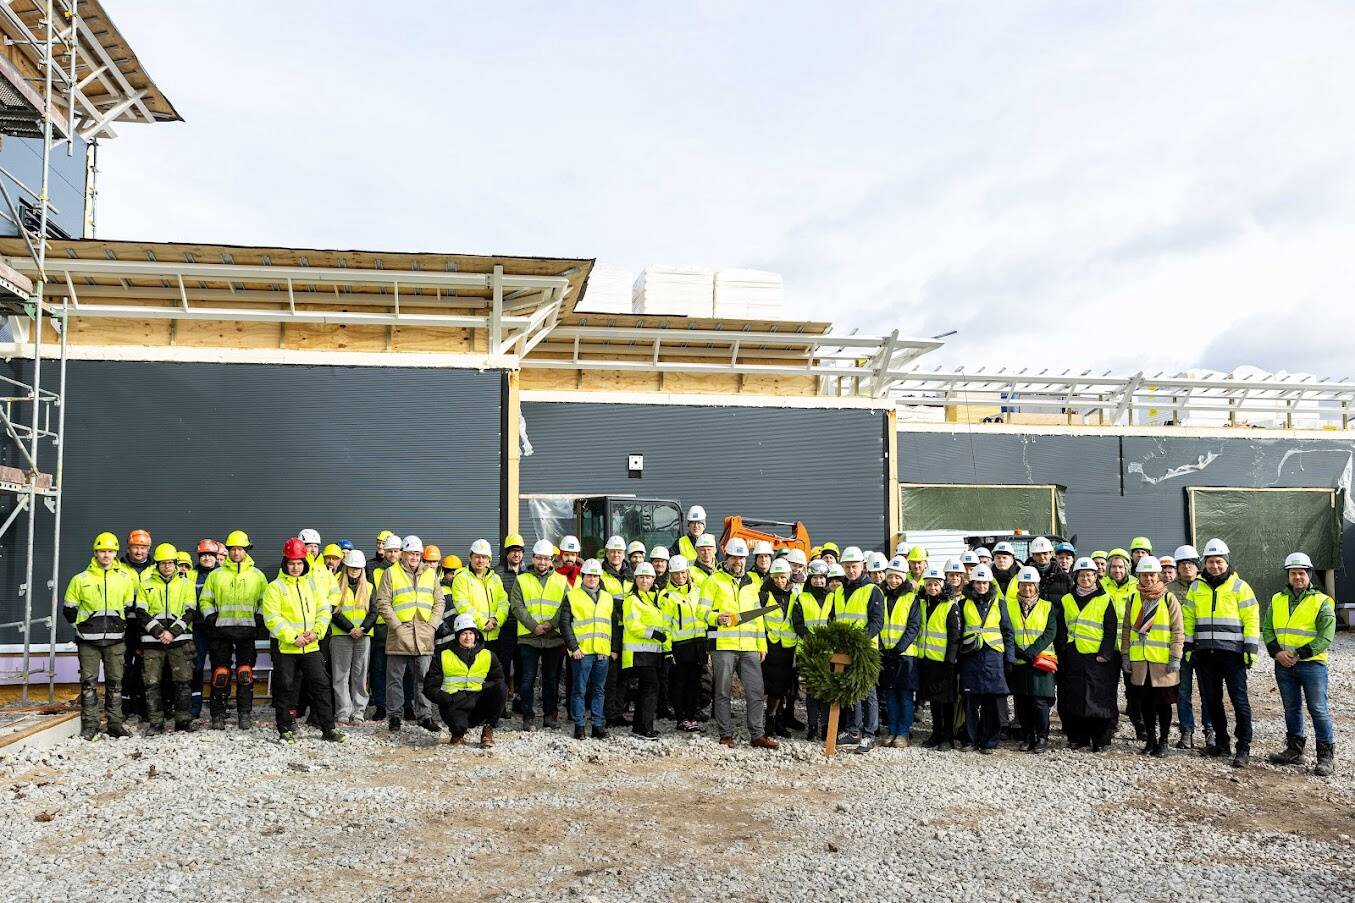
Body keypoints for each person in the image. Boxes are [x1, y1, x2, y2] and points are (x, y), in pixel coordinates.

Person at [1184, 538, 1259, 768]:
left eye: (1219, 561)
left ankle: (1243, 747)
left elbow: (1251, 618)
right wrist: (1188, 645)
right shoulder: (1196, 587)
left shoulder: (1240, 587)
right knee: (1211, 700)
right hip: (1205, 654)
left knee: (1239, 701)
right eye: (1210, 562)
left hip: (1232, 654)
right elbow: (1188, 618)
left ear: (1227, 562)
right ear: (1204, 563)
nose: (1215, 566)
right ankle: (1222, 743)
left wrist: (1250, 647)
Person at [262, 538, 344, 743]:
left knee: (321, 684)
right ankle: (285, 729)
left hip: (311, 646)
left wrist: (317, 632)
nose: (296, 567)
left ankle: (328, 728)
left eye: (299, 563)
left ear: (304, 563)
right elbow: (272, 618)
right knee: (285, 687)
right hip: (287, 648)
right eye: (292, 563)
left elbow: (324, 610)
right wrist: (293, 637)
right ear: (285, 563)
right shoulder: (275, 587)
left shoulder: (312, 585)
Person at [1264, 552, 1337, 777]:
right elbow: (1267, 629)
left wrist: (1298, 654)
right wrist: (1277, 653)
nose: (1297, 577)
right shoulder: (1277, 599)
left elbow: (1326, 636)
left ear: (1309, 575)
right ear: (1288, 575)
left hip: (1312, 665)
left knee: (1318, 709)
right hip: (1283, 664)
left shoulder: (1321, 601)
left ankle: (1325, 757)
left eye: (1302, 573)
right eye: (1293, 573)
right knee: (1291, 708)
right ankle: (1294, 751)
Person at [704, 537, 778, 749]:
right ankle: (725, 734)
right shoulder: (714, 581)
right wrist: (715, 617)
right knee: (722, 692)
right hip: (724, 646)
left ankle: (757, 735)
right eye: (734, 558)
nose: (738, 562)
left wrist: (761, 645)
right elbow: (702, 610)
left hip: (749, 647)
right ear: (726, 558)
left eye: (742, 558)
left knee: (756, 691)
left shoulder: (751, 584)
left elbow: (757, 617)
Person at [64, 532, 139, 740]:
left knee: (115, 683)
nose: (106, 555)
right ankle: (91, 726)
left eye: (110, 551)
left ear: (116, 553)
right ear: (95, 553)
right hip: (88, 641)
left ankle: (115, 724)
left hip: (115, 640)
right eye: (102, 551)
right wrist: (81, 628)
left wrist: (119, 625)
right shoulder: (80, 579)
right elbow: (69, 609)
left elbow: (129, 607)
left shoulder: (124, 579)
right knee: (89, 684)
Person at [375, 535, 447, 733]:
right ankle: (395, 717)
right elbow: (383, 602)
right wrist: (397, 627)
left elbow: (439, 601)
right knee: (395, 679)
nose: (414, 557)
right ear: (403, 554)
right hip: (400, 633)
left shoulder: (430, 574)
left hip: (424, 632)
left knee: (424, 678)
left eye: (417, 554)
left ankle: (425, 716)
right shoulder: (391, 573)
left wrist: (432, 626)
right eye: (410, 553)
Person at [200, 530, 269, 731]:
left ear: (246, 550)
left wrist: (258, 620)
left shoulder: (258, 576)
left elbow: (265, 601)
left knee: (244, 674)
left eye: (240, 549)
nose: (236, 552)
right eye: (233, 549)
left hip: (247, 632)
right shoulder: (216, 575)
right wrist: (211, 618)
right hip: (221, 632)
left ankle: (244, 715)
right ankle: (218, 715)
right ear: (227, 550)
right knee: (220, 674)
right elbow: (205, 600)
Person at [1121, 556, 1184, 759]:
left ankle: (1164, 741)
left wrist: (1175, 657)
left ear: (1158, 576)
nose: (1148, 579)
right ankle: (1150, 740)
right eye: (1144, 575)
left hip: (1162, 662)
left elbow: (1178, 630)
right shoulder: (1133, 599)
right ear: (1138, 576)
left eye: (1152, 575)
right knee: (1145, 704)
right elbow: (1126, 630)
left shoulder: (1168, 598)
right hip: (1140, 662)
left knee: (1164, 704)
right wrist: (1125, 655)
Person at [1057, 557, 1120, 752]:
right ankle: (1078, 737)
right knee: (1075, 696)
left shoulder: (1105, 598)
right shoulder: (1067, 599)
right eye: (1082, 575)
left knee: (1098, 697)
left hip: (1097, 657)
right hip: (1074, 655)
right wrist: (1064, 652)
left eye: (1089, 575)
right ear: (1076, 577)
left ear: (1095, 577)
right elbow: (1061, 629)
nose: (1085, 579)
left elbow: (1111, 627)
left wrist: (1105, 653)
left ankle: (1100, 739)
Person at [136, 543, 198, 735]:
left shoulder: (186, 584)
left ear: (176, 564)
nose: (167, 566)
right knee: (152, 683)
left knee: (183, 682)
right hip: (152, 642)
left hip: (180, 641)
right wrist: (158, 632)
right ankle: (156, 723)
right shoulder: (145, 584)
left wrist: (172, 633)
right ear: (157, 564)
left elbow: (190, 611)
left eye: (170, 563)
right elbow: (141, 612)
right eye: (163, 563)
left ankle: (183, 722)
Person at [423, 613, 507, 747]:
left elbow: (498, 680)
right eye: (464, 634)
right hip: (454, 702)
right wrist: (445, 699)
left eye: (471, 633)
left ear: (476, 635)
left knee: (501, 688)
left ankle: (488, 729)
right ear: (457, 636)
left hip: (478, 700)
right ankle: (457, 733)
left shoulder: (488, 655)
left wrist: (482, 688)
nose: (468, 637)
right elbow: (429, 686)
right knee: (458, 728)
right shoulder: (443, 656)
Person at [511, 539, 569, 730]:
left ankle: (549, 716)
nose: (542, 562)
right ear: (533, 558)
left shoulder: (561, 581)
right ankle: (528, 717)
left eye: (546, 558)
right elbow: (517, 606)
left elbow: (566, 606)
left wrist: (551, 624)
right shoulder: (522, 579)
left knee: (551, 680)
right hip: (529, 638)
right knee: (527, 679)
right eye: (539, 558)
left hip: (553, 638)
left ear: (551, 560)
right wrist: (534, 626)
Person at [832, 546, 885, 753]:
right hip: (844, 650)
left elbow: (876, 623)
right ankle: (853, 731)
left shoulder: (873, 590)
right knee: (852, 691)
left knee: (868, 693)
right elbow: (835, 619)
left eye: (854, 566)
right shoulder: (839, 592)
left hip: (866, 650)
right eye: (847, 567)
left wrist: (857, 641)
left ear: (863, 566)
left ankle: (869, 735)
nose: (851, 570)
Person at [957, 564, 1014, 754]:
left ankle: (989, 741)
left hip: (993, 657)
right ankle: (970, 740)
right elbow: (958, 633)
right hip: (970, 656)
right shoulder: (963, 604)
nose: (981, 586)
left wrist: (1010, 658)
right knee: (970, 701)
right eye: (978, 582)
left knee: (992, 702)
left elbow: (1008, 632)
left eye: (985, 583)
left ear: (990, 584)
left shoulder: (999, 603)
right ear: (972, 583)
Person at [559, 558, 614, 740]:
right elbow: (564, 624)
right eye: (589, 575)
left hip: (602, 652)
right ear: (582, 576)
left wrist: (612, 649)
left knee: (599, 690)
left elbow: (612, 624)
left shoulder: (607, 597)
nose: (592, 579)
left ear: (599, 577)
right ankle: (580, 726)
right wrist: (573, 647)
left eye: (595, 576)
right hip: (581, 653)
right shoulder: (572, 596)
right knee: (579, 690)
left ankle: (597, 726)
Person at [1007, 566, 1056, 753]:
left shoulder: (1047, 606)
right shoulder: (1009, 605)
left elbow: (1050, 632)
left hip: (1040, 661)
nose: (1027, 588)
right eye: (1023, 585)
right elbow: (1006, 630)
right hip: (1019, 661)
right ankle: (1027, 736)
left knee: (1039, 701)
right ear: (1018, 586)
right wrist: (1018, 651)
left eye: (1031, 585)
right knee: (1022, 701)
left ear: (1036, 586)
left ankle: (1042, 738)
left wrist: (1032, 651)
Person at [660, 555, 708, 732]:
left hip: (698, 644)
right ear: (671, 575)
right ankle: (681, 718)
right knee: (679, 683)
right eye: (676, 574)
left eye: (682, 573)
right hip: (679, 646)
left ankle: (691, 716)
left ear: (687, 572)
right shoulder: (667, 596)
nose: (680, 577)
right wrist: (667, 651)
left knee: (695, 683)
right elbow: (665, 626)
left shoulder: (698, 592)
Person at [1101, 547, 1144, 741]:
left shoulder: (1137, 586)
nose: (1117, 570)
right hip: (1108, 647)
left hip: (1130, 648)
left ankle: (1140, 725)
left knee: (1134, 689)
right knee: (1108, 689)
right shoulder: (1101, 586)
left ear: (1127, 567)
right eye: (1113, 567)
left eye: (1120, 567)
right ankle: (1109, 725)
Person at [1171, 544, 1211, 749]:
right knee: (1183, 692)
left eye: (1190, 563)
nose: (1187, 567)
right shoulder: (1168, 589)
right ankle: (1186, 730)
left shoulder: (1207, 587)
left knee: (1208, 692)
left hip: (1204, 647)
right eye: (1182, 564)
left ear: (1198, 565)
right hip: (1181, 649)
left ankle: (1210, 730)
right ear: (1177, 567)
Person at [330, 549, 376, 726]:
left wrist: (363, 628)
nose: (355, 571)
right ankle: (343, 712)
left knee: (360, 675)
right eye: (352, 567)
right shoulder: (335, 584)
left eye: (358, 568)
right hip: (341, 635)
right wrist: (350, 628)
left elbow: (374, 611)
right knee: (340, 676)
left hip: (363, 636)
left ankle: (358, 712)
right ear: (346, 567)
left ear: (362, 569)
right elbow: (333, 610)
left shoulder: (369, 587)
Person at [879, 556, 922, 748]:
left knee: (904, 696)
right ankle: (892, 730)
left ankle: (903, 733)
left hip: (905, 655)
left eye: (897, 577)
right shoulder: (881, 597)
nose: (893, 580)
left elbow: (913, 627)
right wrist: (883, 647)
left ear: (904, 578)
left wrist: (898, 648)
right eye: (890, 576)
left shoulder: (912, 598)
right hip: (886, 653)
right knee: (889, 695)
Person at [621, 562, 666, 740]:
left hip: (650, 653)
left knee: (645, 689)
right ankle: (645, 728)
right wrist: (654, 633)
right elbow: (633, 625)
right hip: (637, 653)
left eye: (648, 577)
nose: (645, 580)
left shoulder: (651, 599)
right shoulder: (632, 599)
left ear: (653, 579)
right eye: (641, 577)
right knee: (651, 687)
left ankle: (639, 726)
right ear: (635, 579)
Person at [918, 564, 960, 750]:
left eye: (936, 584)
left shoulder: (950, 606)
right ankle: (936, 733)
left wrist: (950, 659)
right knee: (934, 700)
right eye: (929, 584)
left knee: (946, 701)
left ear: (942, 585)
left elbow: (955, 635)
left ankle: (947, 737)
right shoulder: (922, 603)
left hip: (944, 661)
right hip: (927, 660)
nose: (932, 588)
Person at [792, 560, 834, 740]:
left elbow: (835, 621)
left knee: (825, 691)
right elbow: (798, 623)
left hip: (828, 651)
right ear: (810, 578)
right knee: (811, 692)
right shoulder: (801, 597)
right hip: (808, 650)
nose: (819, 581)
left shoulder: (833, 597)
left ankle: (824, 726)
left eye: (822, 577)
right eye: (815, 577)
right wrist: (812, 640)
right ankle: (812, 726)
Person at [759, 559, 799, 738]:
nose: (780, 581)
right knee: (774, 689)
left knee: (784, 688)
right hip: (771, 646)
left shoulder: (794, 594)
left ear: (788, 577)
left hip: (788, 647)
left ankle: (779, 722)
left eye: (783, 577)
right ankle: (770, 723)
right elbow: (758, 621)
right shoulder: (764, 595)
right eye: (776, 577)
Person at [367, 531, 404, 721]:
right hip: (380, 627)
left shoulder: (408, 570)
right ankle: (381, 705)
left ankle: (406, 705)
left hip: (402, 627)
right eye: (389, 551)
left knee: (403, 670)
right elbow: (370, 597)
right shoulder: (373, 568)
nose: (392, 554)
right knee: (379, 669)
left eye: (396, 551)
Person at [118, 529, 154, 722]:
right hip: (125, 625)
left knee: (146, 665)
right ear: (128, 548)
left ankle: (143, 706)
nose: (139, 552)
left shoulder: (155, 568)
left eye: (143, 548)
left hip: (148, 625)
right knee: (123, 665)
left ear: (148, 549)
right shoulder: (118, 567)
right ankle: (124, 707)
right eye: (135, 547)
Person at [187, 539, 220, 719]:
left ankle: (218, 707)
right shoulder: (191, 576)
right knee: (196, 668)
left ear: (216, 557)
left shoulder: (223, 575)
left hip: (218, 629)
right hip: (197, 628)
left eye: (210, 555)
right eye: (203, 555)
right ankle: (194, 707)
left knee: (219, 668)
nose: (207, 558)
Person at [497, 533, 526, 712]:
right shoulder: (498, 573)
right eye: (513, 551)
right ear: (507, 552)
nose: (516, 554)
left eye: (519, 551)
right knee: (503, 667)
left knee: (522, 667)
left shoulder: (528, 573)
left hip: (524, 628)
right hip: (505, 627)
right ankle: (501, 706)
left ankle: (519, 702)